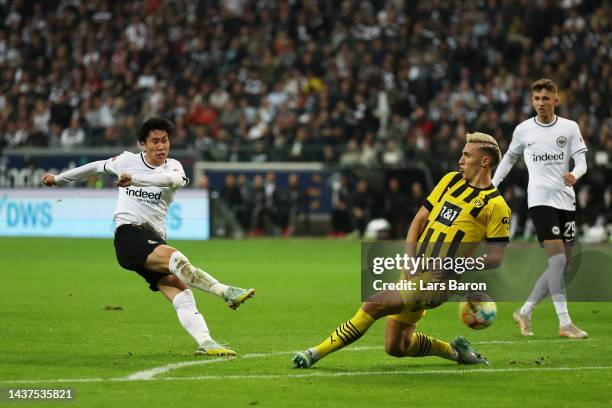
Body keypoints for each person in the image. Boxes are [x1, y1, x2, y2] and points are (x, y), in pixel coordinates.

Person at [41, 117, 255, 356]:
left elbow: (168, 180)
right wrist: (59, 179)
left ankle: (206, 342)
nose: (161, 146)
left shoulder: (173, 167)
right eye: (155, 141)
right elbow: (94, 167)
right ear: (142, 143)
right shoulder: (126, 161)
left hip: (153, 239)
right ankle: (225, 292)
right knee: (177, 259)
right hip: (129, 234)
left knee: (181, 292)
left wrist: (134, 178)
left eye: (165, 141)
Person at [293, 132, 510, 368]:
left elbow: (496, 257)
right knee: (396, 345)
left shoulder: (496, 205)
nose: (460, 159)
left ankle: (313, 354)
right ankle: (456, 352)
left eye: (467, 155)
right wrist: (408, 259)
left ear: (485, 161)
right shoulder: (451, 181)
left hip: (438, 281)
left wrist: (454, 265)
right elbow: (419, 219)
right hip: (414, 268)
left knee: (374, 304)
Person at [492, 78, 588, 339]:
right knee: (557, 260)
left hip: (566, 200)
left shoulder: (569, 128)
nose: (541, 103)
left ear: (556, 100)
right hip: (540, 200)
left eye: (546, 98)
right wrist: (492, 185)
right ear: (532, 101)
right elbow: (509, 158)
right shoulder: (524, 130)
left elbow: (582, 162)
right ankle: (565, 323)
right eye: (537, 99)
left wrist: (575, 175)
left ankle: (524, 311)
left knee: (564, 265)